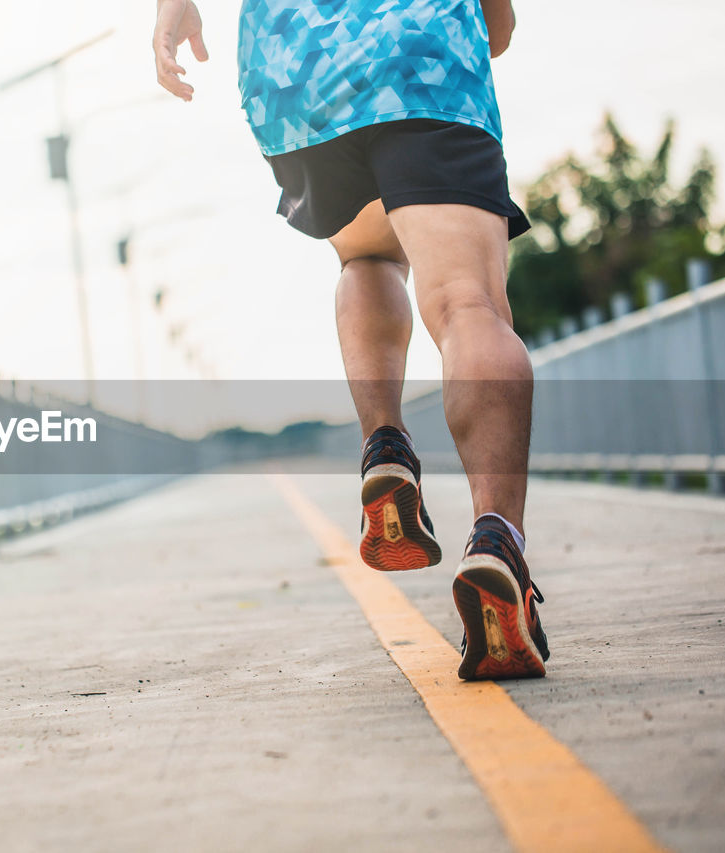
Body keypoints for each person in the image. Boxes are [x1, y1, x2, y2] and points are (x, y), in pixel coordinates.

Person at [152, 0, 548, 680]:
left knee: (365, 257)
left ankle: (384, 443)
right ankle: (497, 541)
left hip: (299, 74)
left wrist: (172, 10)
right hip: (421, 58)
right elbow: (499, 27)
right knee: (467, 302)